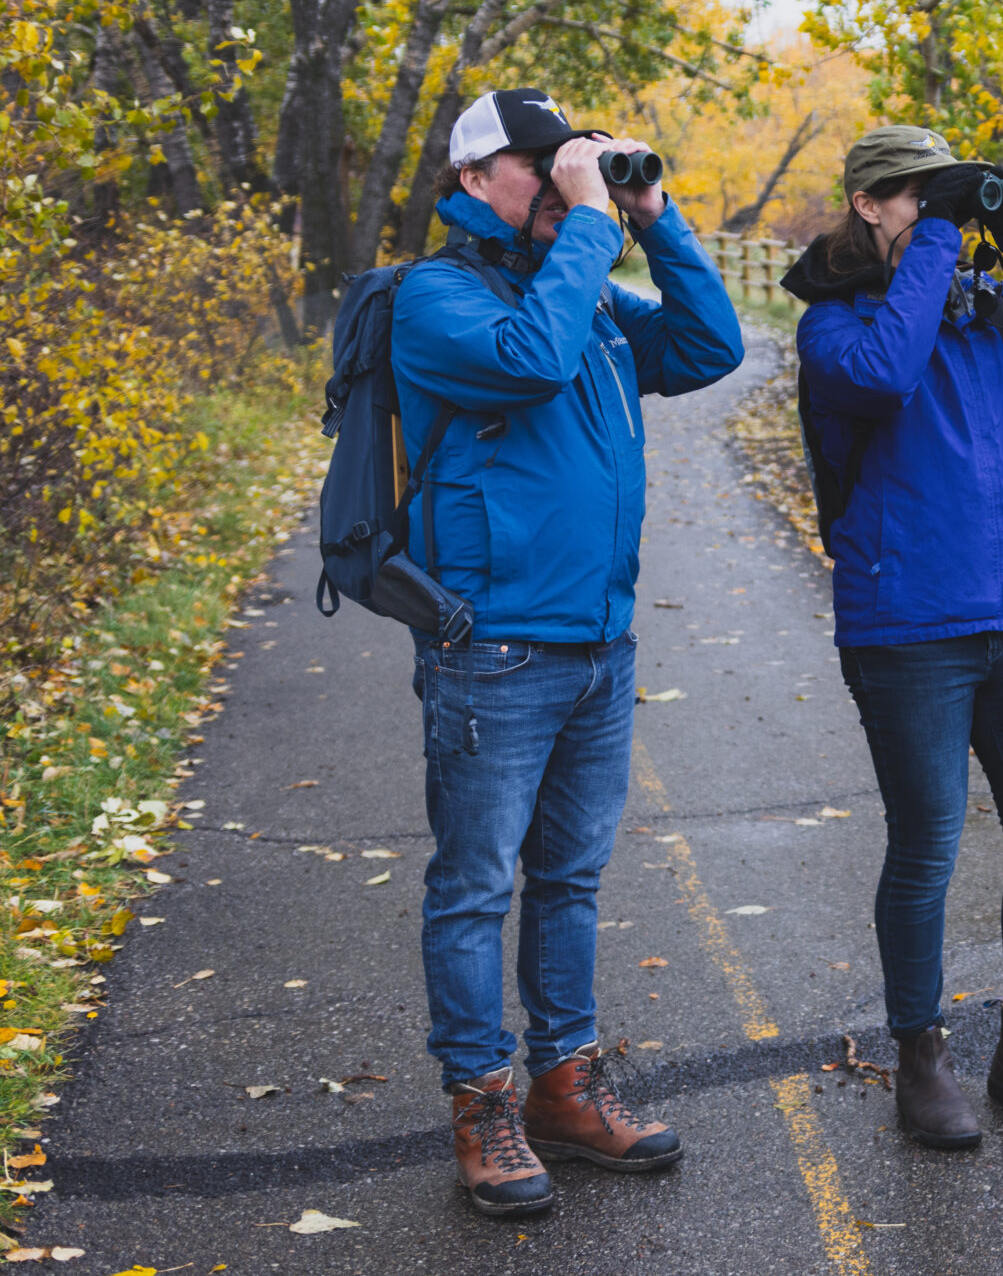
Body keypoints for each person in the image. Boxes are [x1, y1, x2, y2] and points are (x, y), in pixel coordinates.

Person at [394, 87, 744, 1214]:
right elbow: (530, 362)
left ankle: (563, 1083)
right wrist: (590, 227)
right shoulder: (435, 295)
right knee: (474, 886)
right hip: (491, 647)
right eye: (537, 165)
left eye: (571, 162)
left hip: (600, 641)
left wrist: (648, 213)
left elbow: (708, 345)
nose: (560, 180)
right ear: (471, 182)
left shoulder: (586, 289)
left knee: (572, 882)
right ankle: (480, 1100)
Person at [784, 126, 1003, 1149]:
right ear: (866, 203)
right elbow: (889, 373)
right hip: (908, 627)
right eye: (909, 199)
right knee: (928, 842)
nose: (931, 215)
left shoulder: (983, 309)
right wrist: (942, 228)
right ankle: (921, 1056)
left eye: (943, 200)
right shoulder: (834, 327)